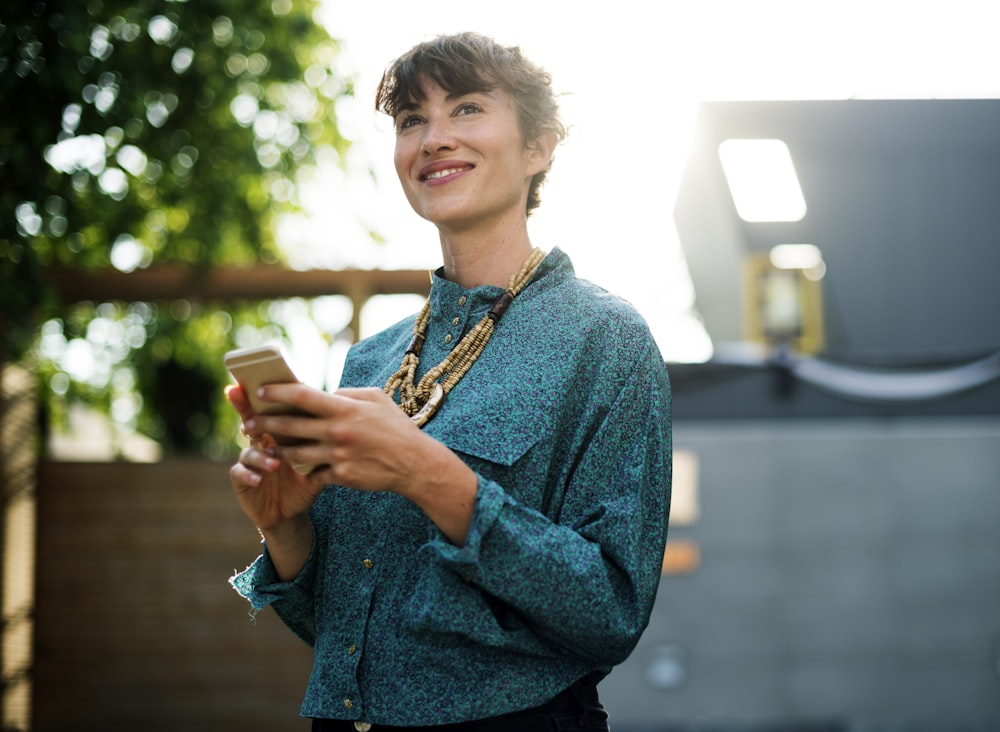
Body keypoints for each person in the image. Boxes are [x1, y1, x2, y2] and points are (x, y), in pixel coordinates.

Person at [227, 32, 672, 732]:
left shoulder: (606, 340)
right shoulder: (369, 362)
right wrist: (283, 527)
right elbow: (341, 634)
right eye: (411, 120)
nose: (433, 138)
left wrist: (426, 472)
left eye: (466, 109)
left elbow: (612, 612)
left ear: (538, 147)